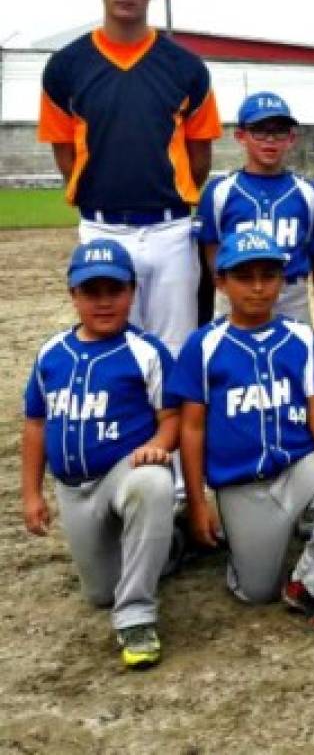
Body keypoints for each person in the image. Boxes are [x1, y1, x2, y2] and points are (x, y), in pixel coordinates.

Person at [169, 230, 314, 630]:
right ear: (221, 282)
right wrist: (197, 500)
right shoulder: (204, 344)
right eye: (244, 276)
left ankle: (309, 586)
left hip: (298, 466)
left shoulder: (299, 336)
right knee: (256, 593)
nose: (259, 286)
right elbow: (191, 428)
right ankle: (233, 546)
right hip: (241, 482)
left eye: (269, 275)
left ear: (282, 281)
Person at [37, 0, 221, 356]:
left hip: (170, 228)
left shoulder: (185, 67)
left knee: (176, 349)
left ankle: (172, 423)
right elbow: (64, 151)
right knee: (113, 347)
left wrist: (168, 196)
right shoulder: (66, 66)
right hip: (102, 227)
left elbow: (200, 155)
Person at [21, 239, 178, 668]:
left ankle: (137, 617)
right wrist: (32, 494)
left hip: (121, 474)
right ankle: (167, 546)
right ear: (73, 295)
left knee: (152, 482)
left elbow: (172, 417)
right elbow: (35, 424)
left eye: (115, 290)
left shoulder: (145, 351)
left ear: (132, 292)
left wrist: (159, 445)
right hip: (73, 488)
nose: (104, 302)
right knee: (99, 594)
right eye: (92, 292)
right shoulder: (53, 353)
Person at [195, 92, 314, 324]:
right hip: (237, 289)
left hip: (290, 292)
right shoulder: (221, 190)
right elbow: (211, 245)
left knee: (294, 354)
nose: (270, 139)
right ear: (241, 136)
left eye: (279, 131)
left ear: (291, 138)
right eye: (260, 130)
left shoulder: (308, 192)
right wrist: (225, 285)